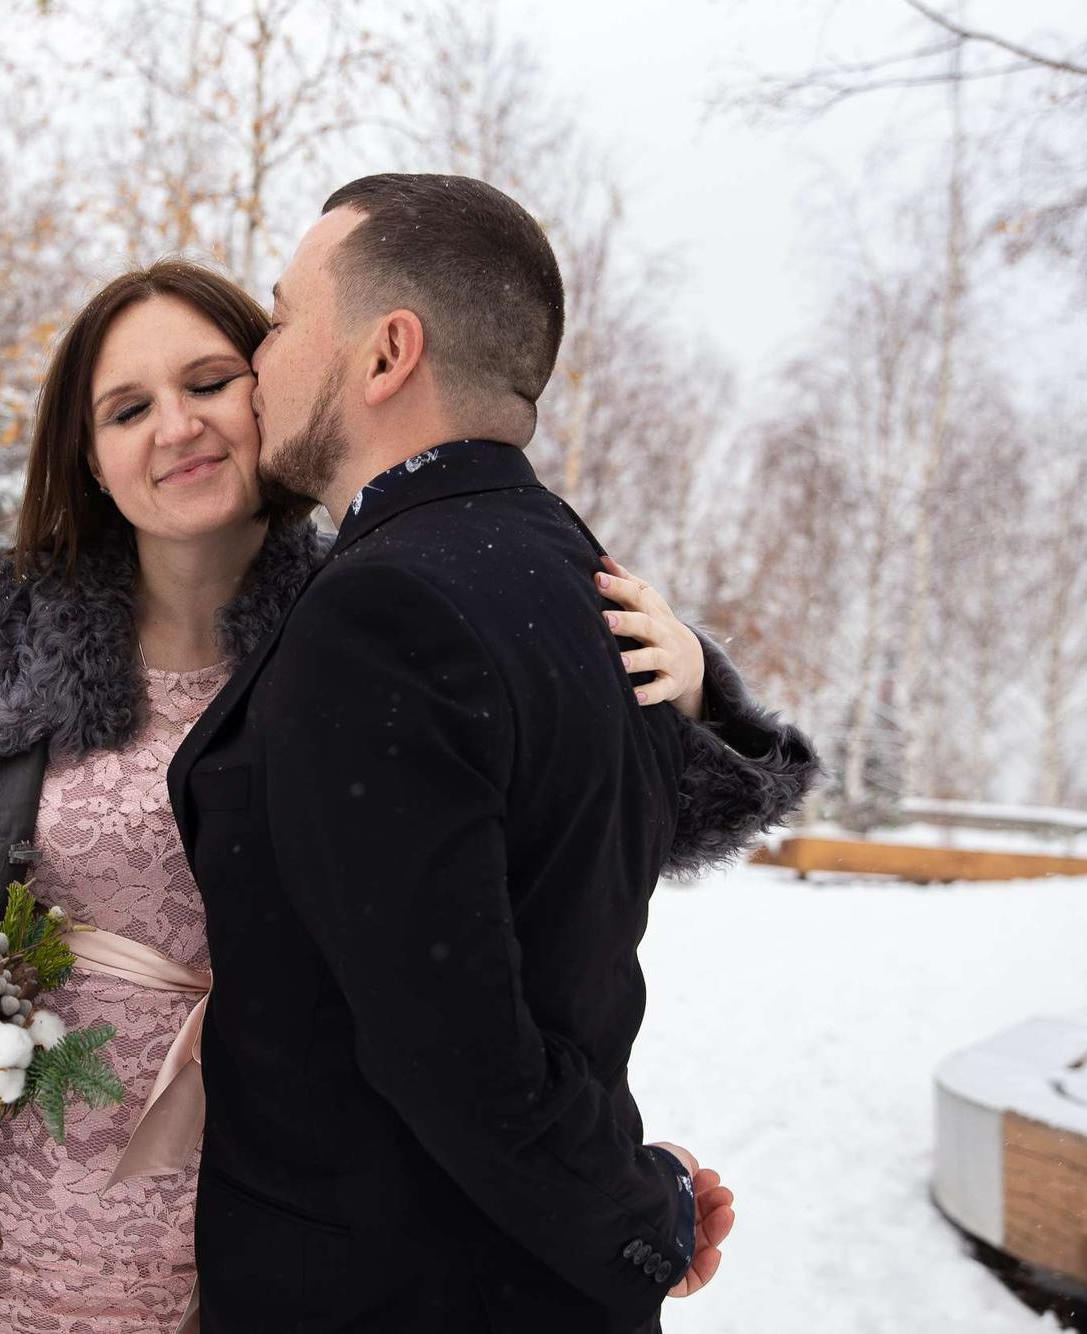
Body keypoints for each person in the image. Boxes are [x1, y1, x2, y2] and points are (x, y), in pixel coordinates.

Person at [0, 256, 816, 1334]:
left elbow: (552, 865)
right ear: (86, 454)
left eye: (209, 381)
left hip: (259, 1240)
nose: (176, 426)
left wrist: (683, 701)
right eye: (127, 408)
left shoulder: (372, 615)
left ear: (267, 385)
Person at [163, 173, 821, 1333]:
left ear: (385, 353)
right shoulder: (575, 573)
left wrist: (639, 1212)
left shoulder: (381, 614)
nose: (256, 359)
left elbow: (453, 1054)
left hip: (396, 1293)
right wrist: (631, 1192)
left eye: (278, 317)